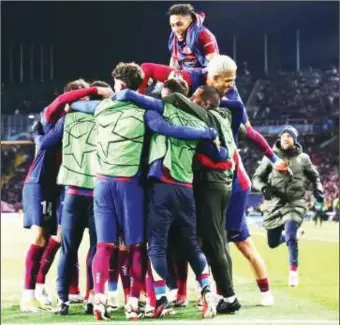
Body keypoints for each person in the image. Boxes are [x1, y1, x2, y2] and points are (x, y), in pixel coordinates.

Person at [70, 62, 219, 320]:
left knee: (113, 246)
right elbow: (210, 150)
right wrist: (209, 135)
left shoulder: (111, 108)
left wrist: (98, 92)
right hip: (168, 187)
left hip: (112, 183)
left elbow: (75, 105)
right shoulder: (163, 114)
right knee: (154, 246)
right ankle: (140, 303)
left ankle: (104, 299)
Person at [20, 80, 112, 312]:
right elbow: (60, 103)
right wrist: (94, 90)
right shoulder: (54, 116)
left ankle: (61, 290)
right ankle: (29, 294)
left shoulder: (75, 120)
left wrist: (40, 139)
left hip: (60, 184)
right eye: (81, 98)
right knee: (42, 237)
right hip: (40, 182)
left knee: (61, 238)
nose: (85, 103)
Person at [252, 126, 324, 287]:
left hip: (295, 202)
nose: (286, 138)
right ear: (280, 138)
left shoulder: (303, 158)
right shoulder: (270, 157)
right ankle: (293, 236)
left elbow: (315, 176)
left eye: (289, 136)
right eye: (284, 135)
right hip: (274, 204)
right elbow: (256, 178)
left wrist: (318, 188)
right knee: (272, 243)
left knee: (291, 236)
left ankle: (293, 272)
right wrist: (264, 187)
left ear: (294, 139)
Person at [138, 3, 219, 94]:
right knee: (160, 89)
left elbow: (215, 64)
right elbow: (174, 61)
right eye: (172, 25)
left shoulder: (203, 35)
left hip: (199, 77)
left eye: (179, 24)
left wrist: (209, 91)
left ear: (190, 21)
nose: (175, 29)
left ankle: (137, 99)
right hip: (184, 77)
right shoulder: (174, 37)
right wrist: (166, 82)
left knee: (146, 67)